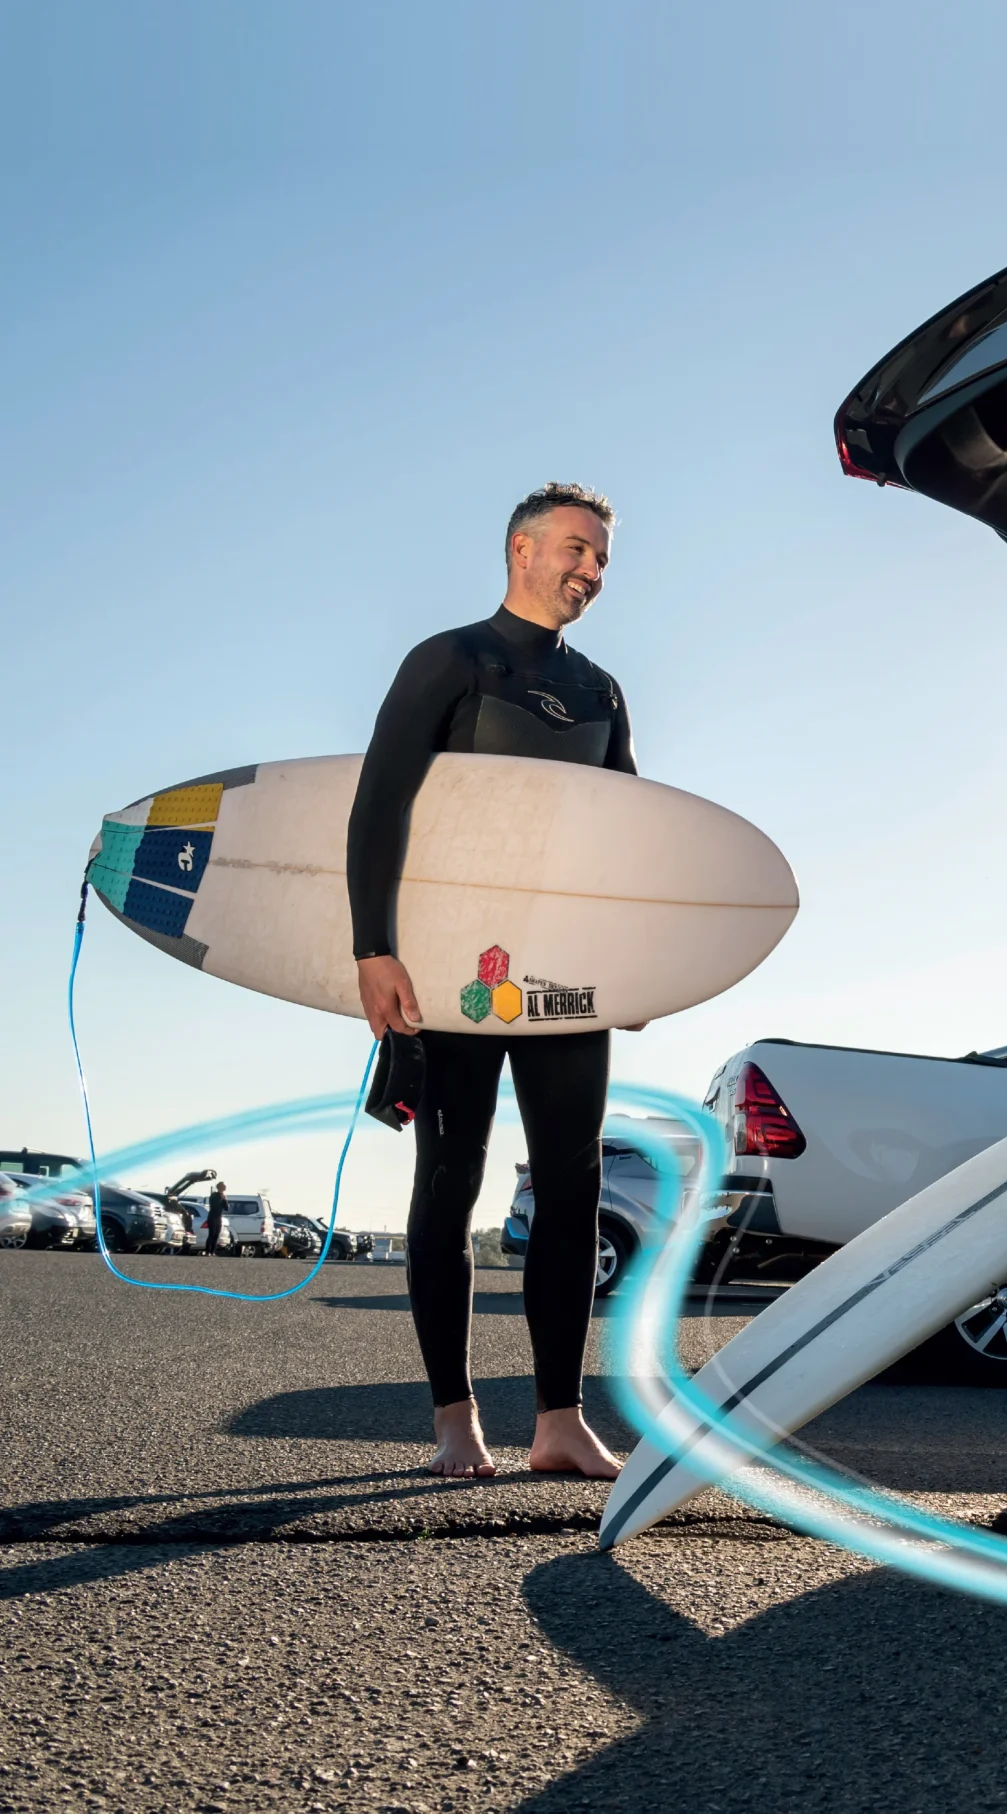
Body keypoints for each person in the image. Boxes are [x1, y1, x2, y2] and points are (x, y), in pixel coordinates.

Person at [348, 482, 640, 1482]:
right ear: (520, 547)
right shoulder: (453, 660)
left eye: (601, 556)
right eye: (575, 548)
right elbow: (379, 804)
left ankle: (558, 1419)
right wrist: (372, 948)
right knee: (449, 1179)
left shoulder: (602, 691)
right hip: (452, 971)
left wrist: (634, 969)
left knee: (572, 1185)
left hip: (561, 978)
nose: (591, 569)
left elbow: (624, 844)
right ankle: (454, 1420)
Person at [199, 1181, 228, 1257]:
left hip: (219, 1218)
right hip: (212, 1217)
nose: (223, 1188)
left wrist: (224, 1199)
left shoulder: (223, 1196)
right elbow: (214, 1205)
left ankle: (213, 1252)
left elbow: (227, 1208)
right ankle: (207, 1251)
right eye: (222, 1187)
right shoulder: (214, 1195)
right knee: (211, 1234)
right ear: (219, 1187)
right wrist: (221, 1198)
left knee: (216, 1235)